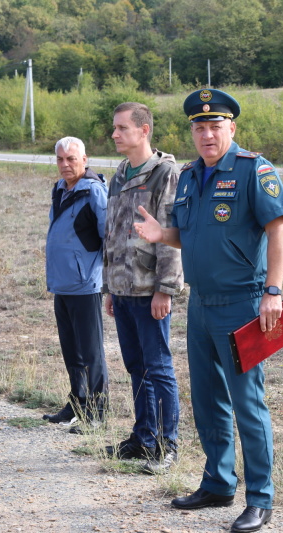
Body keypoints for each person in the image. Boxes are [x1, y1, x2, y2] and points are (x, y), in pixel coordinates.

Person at [134, 89, 283, 533]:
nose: (206, 134)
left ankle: (260, 500)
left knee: (248, 404)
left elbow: (277, 231)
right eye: (199, 127)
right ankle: (218, 483)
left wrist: (273, 291)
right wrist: (161, 234)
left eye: (215, 126)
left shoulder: (252, 171)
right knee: (207, 401)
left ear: (232, 129)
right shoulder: (189, 177)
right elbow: (192, 236)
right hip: (201, 304)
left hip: (244, 303)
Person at [101, 102, 184, 475]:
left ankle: (167, 445)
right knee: (136, 366)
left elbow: (169, 233)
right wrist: (108, 287)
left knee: (159, 367)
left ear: (144, 130)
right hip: (123, 288)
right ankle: (143, 437)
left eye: (121, 128)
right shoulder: (119, 174)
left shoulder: (164, 173)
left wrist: (165, 289)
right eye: (114, 129)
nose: (115, 134)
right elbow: (112, 234)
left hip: (150, 289)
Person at [42, 136, 109, 435]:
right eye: (60, 159)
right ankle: (77, 404)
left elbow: (108, 236)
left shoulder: (94, 191)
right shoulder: (60, 189)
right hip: (62, 283)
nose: (65, 164)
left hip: (86, 285)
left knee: (92, 352)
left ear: (85, 159)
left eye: (71, 159)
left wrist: (107, 283)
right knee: (71, 350)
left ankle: (97, 412)